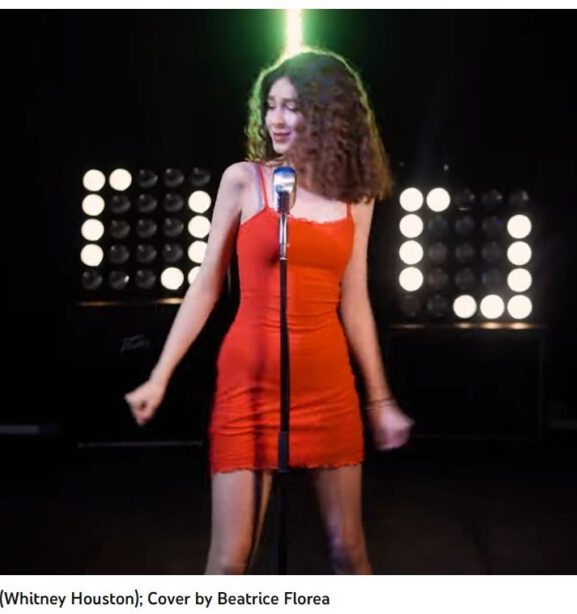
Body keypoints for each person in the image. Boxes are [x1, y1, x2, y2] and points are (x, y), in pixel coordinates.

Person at [124, 49, 414, 575]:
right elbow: (205, 287)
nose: (275, 119)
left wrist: (380, 400)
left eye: (292, 107)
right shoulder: (244, 181)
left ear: (327, 115)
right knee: (229, 563)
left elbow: (355, 301)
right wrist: (159, 377)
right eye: (271, 105)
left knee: (348, 550)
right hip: (249, 384)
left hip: (326, 384)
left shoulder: (356, 197)